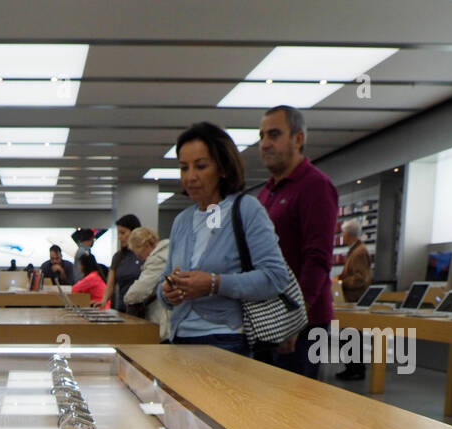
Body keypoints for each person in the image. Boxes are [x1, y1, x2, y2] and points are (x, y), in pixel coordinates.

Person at [158, 121, 289, 355]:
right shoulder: (182, 221)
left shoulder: (247, 209)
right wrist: (168, 292)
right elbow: (164, 280)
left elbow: (275, 277)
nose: (191, 177)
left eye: (200, 166)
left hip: (226, 341)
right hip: (179, 337)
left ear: (223, 168)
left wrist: (214, 283)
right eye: (184, 168)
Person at [256, 104, 338, 378]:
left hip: (302, 326)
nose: (265, 143)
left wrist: (294, 318)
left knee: (293, 412)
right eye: (262, 136)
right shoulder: (265, 193)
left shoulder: (316, 186)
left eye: (274, 135)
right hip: (268, 319)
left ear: (298, 138)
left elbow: (317, 259)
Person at [335, 218, 372, 380]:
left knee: (352, 336)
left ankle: (355, 369)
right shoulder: (355, 250)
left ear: (349, 234)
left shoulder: (359, 252)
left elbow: (360, 278)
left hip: (355, 300)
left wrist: (341, 283)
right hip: (351, 300)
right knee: (350, 335)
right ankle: (352, 367)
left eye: (343, 232)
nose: (341, 236)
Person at [122, 227, 171, 341]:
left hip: (163, 320)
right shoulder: (170, 252)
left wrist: (127, 298)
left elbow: (139, 291)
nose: (141, 259)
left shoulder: (158, 259)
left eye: (139, 255)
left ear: (146, 245)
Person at [103, 214, 143, 310]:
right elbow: (110, 285)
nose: (119, 237)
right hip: (122, 308)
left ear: (134, 232)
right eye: (118, 233)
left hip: (143, 309)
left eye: (123, 233)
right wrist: (103, 301)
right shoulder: (118, 257)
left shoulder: (144, 254)